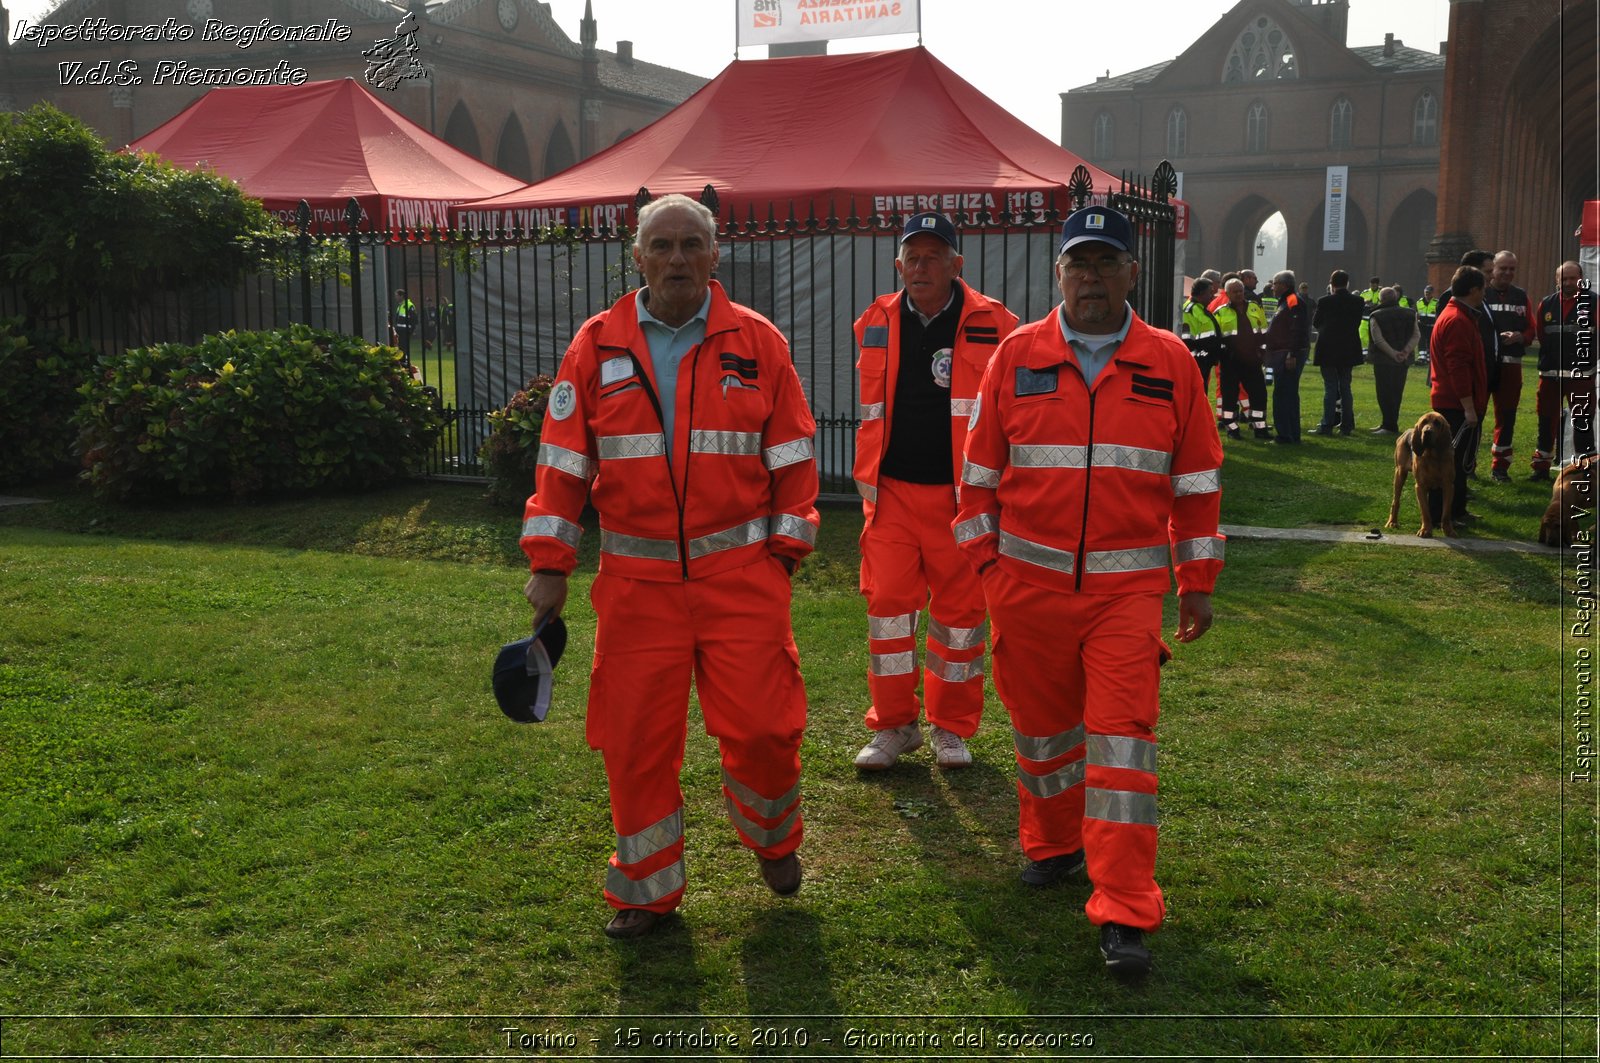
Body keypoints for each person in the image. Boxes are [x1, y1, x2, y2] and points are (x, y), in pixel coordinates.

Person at [519, 194, 820, 939]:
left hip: (742, 579)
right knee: (634, 741)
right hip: (636, 588)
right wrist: (550, 562)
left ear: (716, 256)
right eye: (663, 245)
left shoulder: (760, 343)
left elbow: (794, 459)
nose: (678, 257)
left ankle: (774, 840)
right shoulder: (596, 346)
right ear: (638, 258)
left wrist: (783, 554)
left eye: (692, 243)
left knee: (761, 730)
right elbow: (561, 463)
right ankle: (646, 891)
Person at [956, 205, 1224, 979]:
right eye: (1080, 263)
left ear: (1134, 274)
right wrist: (991, 574)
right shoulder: (1015, 355)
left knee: (1121, 745)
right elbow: (976, 484)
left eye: (1107, 263)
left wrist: (1195, 582)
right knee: (1042, 735)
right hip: (1026, 592)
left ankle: (1125, 905)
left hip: (1126, 597)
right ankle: (1052, 840)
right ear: (1059, 273)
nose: (1093, 277)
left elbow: (1198, 483)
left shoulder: (1170, 361)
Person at [851, 212, 1018, 771]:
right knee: (889, 613)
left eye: (932, 256)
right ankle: (895, 725)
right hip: (891, 494)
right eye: (911, 257)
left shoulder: (998, 325)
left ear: (956, 265)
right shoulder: (874, 319)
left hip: (960, 499)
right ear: (898, 264)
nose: (920, 267)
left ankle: (951, 728)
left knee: (960, 616)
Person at [1428, 266, 1490, 526]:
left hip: (1454, 401)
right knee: (1449, 463)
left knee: (1461, 462)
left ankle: (1458, 511)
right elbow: (1458, 367)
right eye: (1483, 289)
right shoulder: (1457, 320)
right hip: (1454, 404)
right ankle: (1443, 514)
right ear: (1474, 290)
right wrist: (1468, 407)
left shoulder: (1458, 315)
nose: (1484, 293)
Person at [1533, 260, 1598, 477]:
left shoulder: (1594, 302)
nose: (1568, 282)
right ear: (1557, 280)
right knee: (1545, 420)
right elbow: (1541, 334)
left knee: (1582, 422)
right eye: (1564, 278)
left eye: (1573, 278)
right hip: (1550, 375)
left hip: (1581, 376)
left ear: (1581, 278)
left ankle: (1586, 469)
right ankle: (1541, 468)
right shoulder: (1546, 304)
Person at [1483, 251, 1538, 482]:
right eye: (1503, 268)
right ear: (1493, 269)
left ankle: (1500, 467)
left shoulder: (1521, 296)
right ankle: (1467, 466)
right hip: (1485, 365)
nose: (1507, 273)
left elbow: (1531, 329)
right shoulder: (1481, 293)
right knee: (1474, 415)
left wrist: (1520, 336)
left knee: (1507, 417)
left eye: (1512, 269)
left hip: (1511, 366)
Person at [1213, 277, 1272, 439]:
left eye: (1241, 291)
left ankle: (1260, 428)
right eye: (1235, 291)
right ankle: (1232, 428)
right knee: (1229, 396)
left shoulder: (1254, 307)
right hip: (1230, 362)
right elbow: (1215, 339)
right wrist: (1222, 356)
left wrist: (1262, 353)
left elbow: (1263, 331)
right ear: (1227, 293)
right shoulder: (1220, 312)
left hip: (1252, 361)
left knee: (1259, 394)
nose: (1239, 294)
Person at [1311, 270, 1365, 435]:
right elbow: (1356, 322)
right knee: (1345, 387)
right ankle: (1346, 425)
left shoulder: (1324, 301)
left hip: (1328, 347)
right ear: (1347, 283)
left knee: (1330, 387)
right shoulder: (1358, 301)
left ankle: (1327, 424)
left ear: (1331, 283)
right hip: (1348, 347)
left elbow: (1316, 322)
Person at [1261, 269, 1308, 445]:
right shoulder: (1286, 300)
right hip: (1284, 352)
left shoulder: (1292, 300)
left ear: (1284, 285)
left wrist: (1291, 353)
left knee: (1283, 394)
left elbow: (1297, 328)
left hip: (1287, 354)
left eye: (1275, 283)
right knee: (1287, 394)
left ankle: (1285, 435)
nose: (1272, 287)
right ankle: (1292, 433)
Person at [1367, 287, 1420, 434]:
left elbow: (1378, 340)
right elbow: (1416, 335)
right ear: (1396, 297)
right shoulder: (1410, 313)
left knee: (1384, 393)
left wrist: (1393, 353)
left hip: (1384, 360)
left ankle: (1388, 425)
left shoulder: (1376, 315)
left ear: (1381, 299)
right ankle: (1390, 423)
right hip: (1403, 361)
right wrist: (1405, 351)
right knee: (1397, 392)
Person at [1180, 277, 1225, 395]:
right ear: (1201, 293)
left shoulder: (1201, 309)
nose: (1213, 295)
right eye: (1210, 292)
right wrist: (1199, 360)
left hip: (1204, 364)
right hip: (1197, 365)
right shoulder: (1189, 310)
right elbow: (1187, 340)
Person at [1416, 285, 1439, 361]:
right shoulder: (1419, 302)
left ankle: (1430, 358)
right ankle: (1422, 357)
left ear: (1432, 293)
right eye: (1426, 292)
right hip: (1421, 325)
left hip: (1432, 326)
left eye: (1429, 292)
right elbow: (1416, 313)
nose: (1427, 294)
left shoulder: (1437, 303)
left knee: (1430, 341)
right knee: (1421, 340)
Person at [390, 288, 416, 354]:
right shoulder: (400, 305)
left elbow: (414, 319)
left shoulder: (409, 305)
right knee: (400, 347)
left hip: (405, 331)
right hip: (399, 331)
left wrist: (411, 330)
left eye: (397, 295)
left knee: (404, 347)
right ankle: (403, 361)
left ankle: (405, 361)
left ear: (401, 296)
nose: (395, 297)